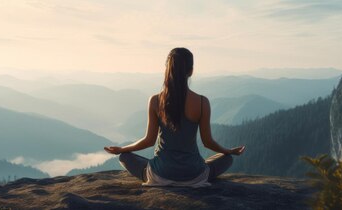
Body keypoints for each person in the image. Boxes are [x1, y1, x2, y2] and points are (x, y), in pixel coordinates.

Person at [104, 47, 245, 188]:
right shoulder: (202, 102)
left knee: (125, 157)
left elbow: (149, 141)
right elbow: (208, 142)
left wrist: (122, 149)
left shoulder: (155, 100)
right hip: (194, 175)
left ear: (167, 70)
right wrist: (228, 151)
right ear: (191, 71)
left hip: (161, 175)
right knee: (227, 159)